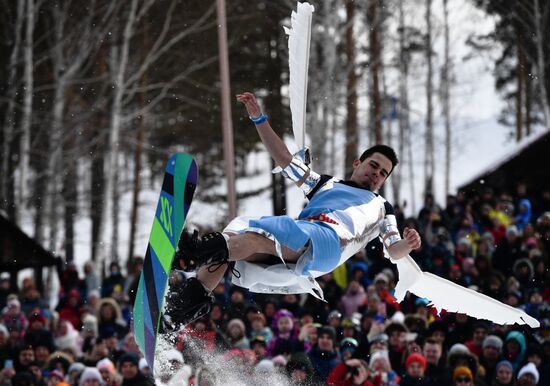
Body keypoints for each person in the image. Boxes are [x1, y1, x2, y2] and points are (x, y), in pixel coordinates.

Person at [163, 91, 421, 329]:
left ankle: (193, 255)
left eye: (382, 173)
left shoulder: (381, 207)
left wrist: (407, 245)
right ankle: (179, 312)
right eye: (373, 165)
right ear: (357, 163)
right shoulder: (324, 184)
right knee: (233, 244)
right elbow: (284, 159)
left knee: (258, 236)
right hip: (302, 234)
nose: (376, 174)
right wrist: (259, 118)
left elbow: (394, 250)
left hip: (329, 241)